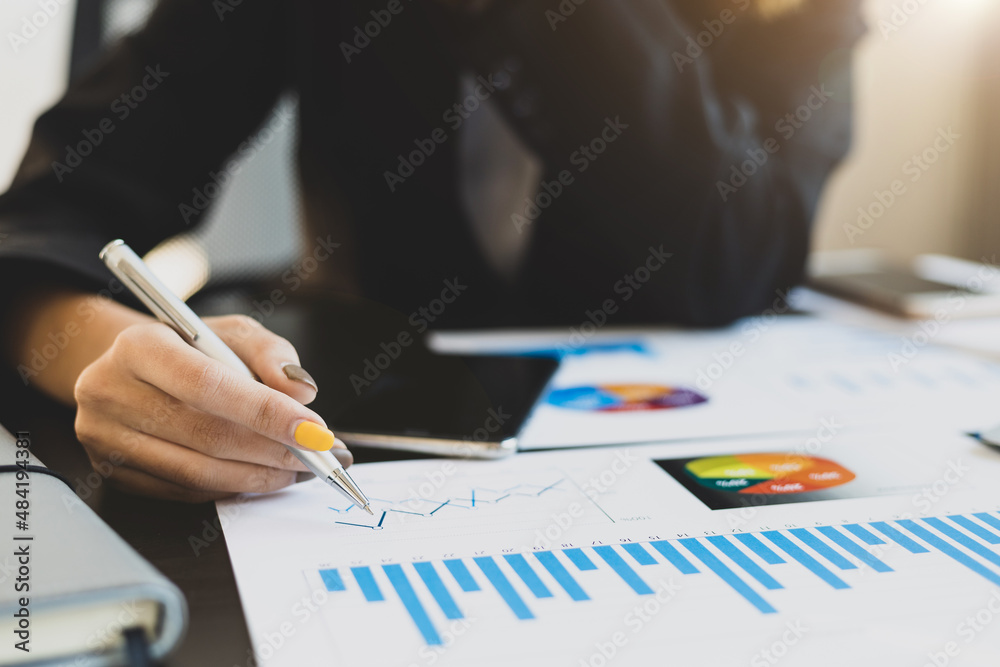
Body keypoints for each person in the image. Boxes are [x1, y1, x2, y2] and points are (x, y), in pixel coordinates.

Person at [0, 0, 865, 501]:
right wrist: (104, 354)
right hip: (360, 433)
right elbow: (48, 215)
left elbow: (737, 255)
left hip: (697, 452)